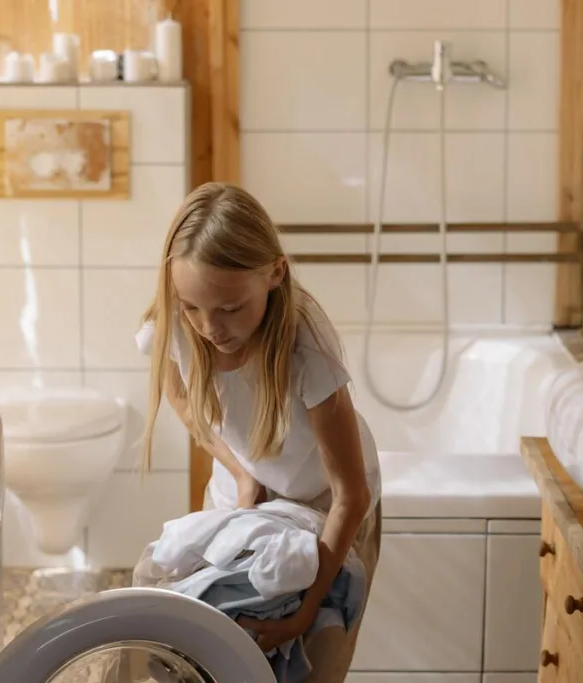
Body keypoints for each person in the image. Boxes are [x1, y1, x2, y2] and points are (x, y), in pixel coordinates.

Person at [133, 181, 382, 681]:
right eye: (192, 306)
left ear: (275, 273)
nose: (210, 326)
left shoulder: (306, 347)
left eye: (230, 308)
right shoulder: (177, 319)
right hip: (243, 492)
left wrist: (305, 612)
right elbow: (182, 400)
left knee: (313, 668)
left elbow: (349, 495)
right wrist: (240, 474)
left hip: (327, 507)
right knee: (211, 661)